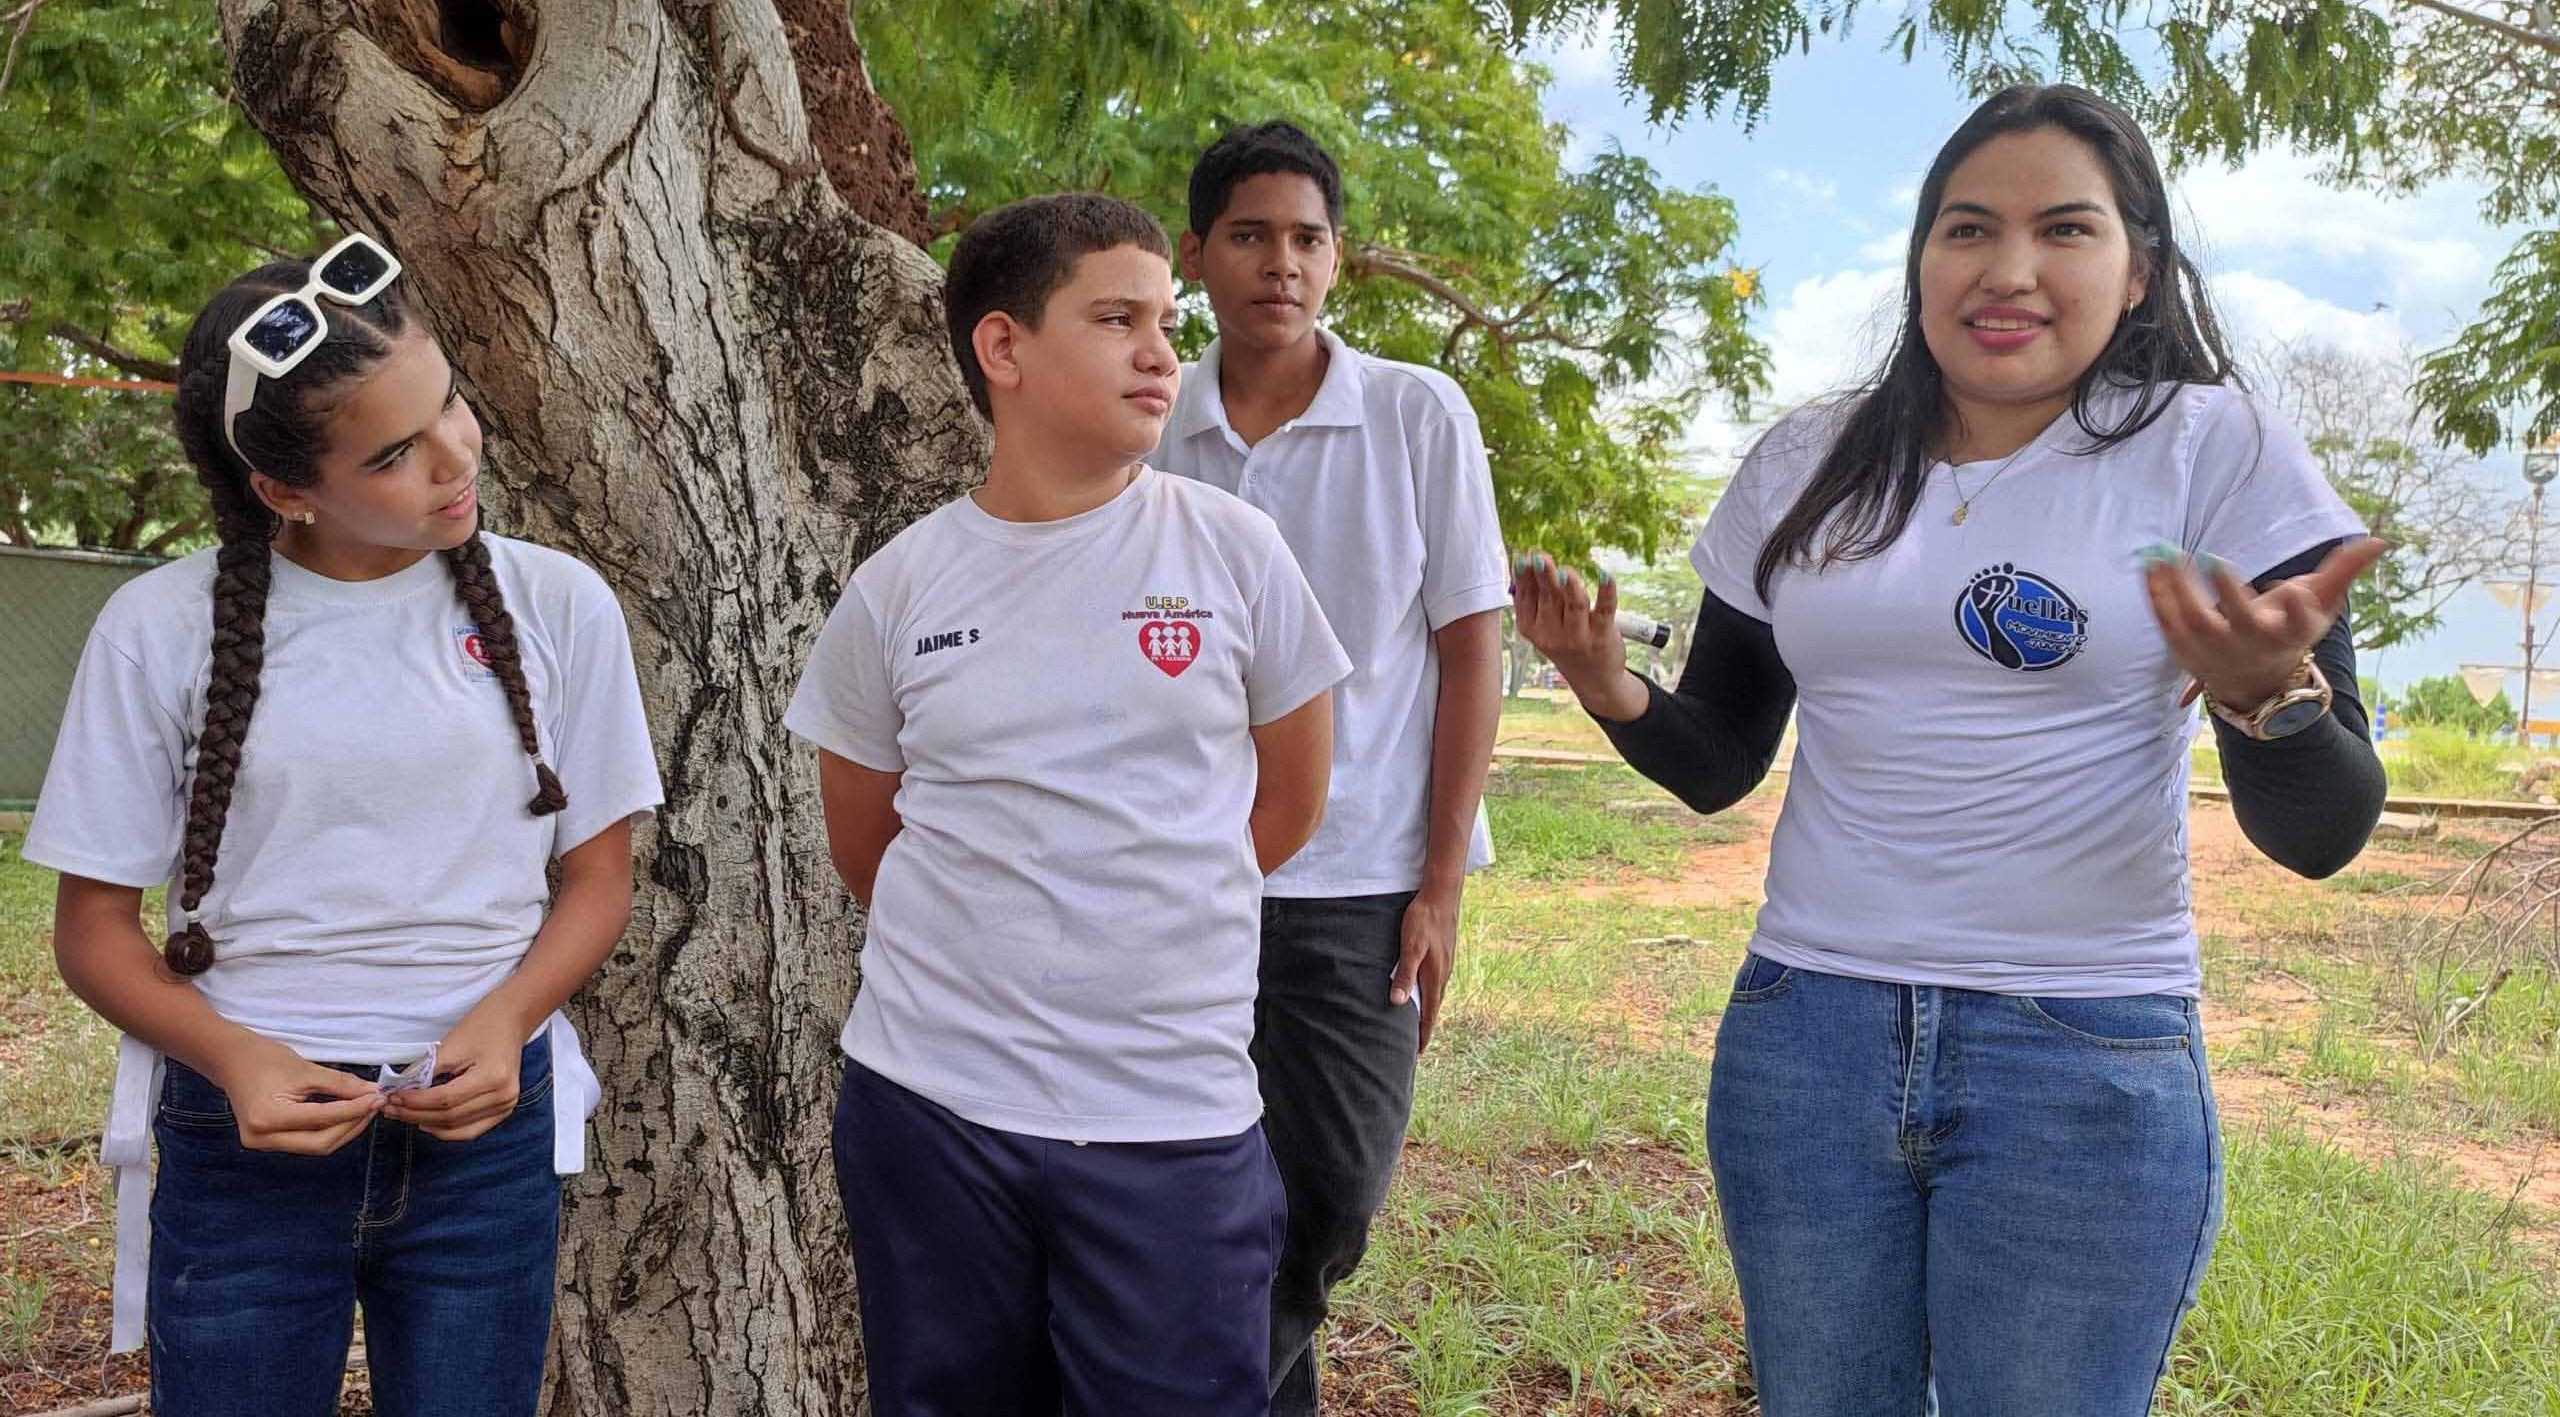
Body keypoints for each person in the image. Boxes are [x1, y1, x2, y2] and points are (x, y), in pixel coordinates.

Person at [1512, 84, 2387, 1415]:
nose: (2008, 269)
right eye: (1967, 228)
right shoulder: (1810, 458)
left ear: (2138, 269)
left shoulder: (2216, 450)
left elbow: (2321, 835)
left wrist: (2269, 696)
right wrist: (1604, 684)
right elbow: (1722, 757)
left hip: (2081, 1049)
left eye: (2065, 230)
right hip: (1808, 1037)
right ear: (1921, 258)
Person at [27, 233, 663, 1416]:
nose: (454, 456)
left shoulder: (559, 604)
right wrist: (236, 1060)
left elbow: (598, 880)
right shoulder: (159, 628)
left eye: (448, 403)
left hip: (484, 1146)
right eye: (393, 452)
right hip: (243, 1144)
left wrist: (506, 1021)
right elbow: (93, 931)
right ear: (283, 489)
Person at [786, 193, 1352, 1416]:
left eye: (1167, 323)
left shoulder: (1236, 554)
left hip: (1171, 1114)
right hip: (933, 1112)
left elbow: (1287, 804)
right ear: (1003, 347)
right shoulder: (897, 589)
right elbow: (867, 843)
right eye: (1116, 319)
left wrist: (1141, 911)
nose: (1161, 354)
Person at [1154, 120, 1508, 1415]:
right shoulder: (1151, 420)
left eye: (1307, 238)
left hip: (1359, 886)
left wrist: (1440, 885)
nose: (1281, 263)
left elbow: (1472, 645)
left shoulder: (1416, 414)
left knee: (1331, 1195)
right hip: (1181, 878)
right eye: (1250, 235)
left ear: (1338, 259)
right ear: (1196, 252)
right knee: (1197, 1193)